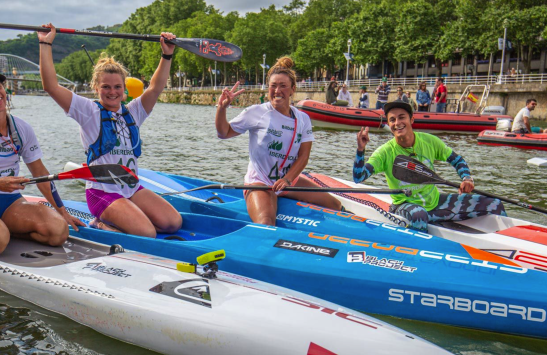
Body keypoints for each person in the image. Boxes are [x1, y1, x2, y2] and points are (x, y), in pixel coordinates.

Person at [38, 23, 182, 238]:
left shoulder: (134, 112)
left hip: (131, 188)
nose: (112, 92)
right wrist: (45, 43)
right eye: (106, 87)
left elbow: (155, 87)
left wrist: (167, 55)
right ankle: (100, 223)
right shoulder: (88, 111)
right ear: (96, 88)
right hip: (101, 193)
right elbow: (50, 86)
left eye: (117, 87)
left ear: (124, 90)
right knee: (147, 233)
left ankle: (127, 218)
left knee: (173, 223)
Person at [0, 69, 84, 256]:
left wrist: (62, 211)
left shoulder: (21, 128)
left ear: (5, 91)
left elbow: (39, 172)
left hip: (10, 203)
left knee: (58, 232)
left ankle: (3, 231)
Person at [215, 57, 341, 226]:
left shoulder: (302, 119)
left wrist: (287, 180)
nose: (277, 90)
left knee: (335, 205)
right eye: (273, 86)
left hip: (289, 181)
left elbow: (303, 157)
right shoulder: (256, 112)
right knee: (266, 222)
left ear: (292, 90)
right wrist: (221, 108)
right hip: (260, 181)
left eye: (283, 86)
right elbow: (224, 133)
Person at [352, 101, 506, 232]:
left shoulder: (429, 141)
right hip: (405, 206)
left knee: (494, 204)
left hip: (436, 203)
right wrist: (361, 150)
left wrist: (466, 179)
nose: (397, 123)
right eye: (392, 120)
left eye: (401, 118)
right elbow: (359, 177)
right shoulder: (384, 152)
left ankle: (509, 246)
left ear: (412, 119)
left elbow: (457, 160)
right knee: (419, 215)